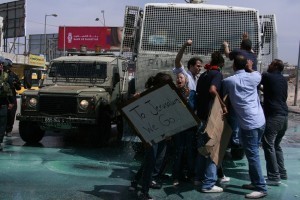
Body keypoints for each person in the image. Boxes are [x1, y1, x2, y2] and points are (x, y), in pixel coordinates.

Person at [223, 55, 267, 199]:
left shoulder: (229, 81)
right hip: (260, 121)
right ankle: (255, 182)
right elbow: (255, 73)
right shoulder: (255, 77)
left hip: (249, 125)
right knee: (253, 153)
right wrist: (249, 67)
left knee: (252, 155)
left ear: (234, 66)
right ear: (246, 66)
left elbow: (221, 89)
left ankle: (261, 188)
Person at [128, 72, 173, 200]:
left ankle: (136, 181)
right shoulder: (147, 95)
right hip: (151, 132)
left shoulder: (167, 96)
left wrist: (169, 132)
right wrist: (136, 100)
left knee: (153, 160)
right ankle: (144, 192)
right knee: (151, 161)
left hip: (162, 132)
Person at [195, 51, 227, 193]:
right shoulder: (217, 74)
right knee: (213, 150)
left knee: (203, 150)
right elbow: (213, 90)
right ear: (221, 64)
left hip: (201, 116)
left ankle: (198, 177)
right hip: (210, 117)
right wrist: (223, 104)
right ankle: (208, 184)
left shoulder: (203, 75)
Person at [261, 59, 288, 186]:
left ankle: (273, 177)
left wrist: (249, 68)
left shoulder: (267, 76)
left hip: (274, 116)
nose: (268, 65)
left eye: (271, 64)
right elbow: (274, 92)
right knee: (276, 145)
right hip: (284, 117)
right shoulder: (283, 80)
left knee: (268, 144)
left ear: (276, 66)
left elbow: (254, 80)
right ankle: (282, 172)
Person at [172, 72, 196, 186]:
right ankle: (176, 176)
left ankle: (191, 175)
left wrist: (186, 99)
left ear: (186, 80)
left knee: (190, 152)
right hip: (177, 127)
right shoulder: (173, 93)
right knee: (178, 151)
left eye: (181, 77)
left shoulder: (192, 93)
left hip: (190, 127)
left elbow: (192, 107)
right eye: (177, 78)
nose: (178, 79)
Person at [3, 59, 21, 137]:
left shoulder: (13, 75)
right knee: (3, 115)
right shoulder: (1, 74)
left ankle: (9, 130)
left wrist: (16, 84)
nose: (8, 68)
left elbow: (19, 88)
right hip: (3, 96)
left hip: (11, 97)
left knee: (11, 115)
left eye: (8, 66)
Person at [0, 57, 14, 151]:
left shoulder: (6, 76)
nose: (1, 66)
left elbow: (10, 90)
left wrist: (11, 102)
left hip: (2, 104)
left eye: (2, 64)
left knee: (1, 125)